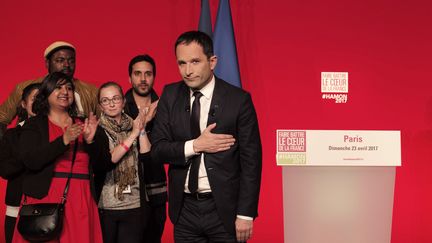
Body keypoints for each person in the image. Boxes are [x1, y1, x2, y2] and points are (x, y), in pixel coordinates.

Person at [151, 30, 262, 242]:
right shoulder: (170, 95)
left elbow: (251, 161)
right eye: (181, 63)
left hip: (224, 211)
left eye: (194, 62)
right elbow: (157, 150)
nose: (187, 71)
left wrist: (245, 213)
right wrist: (196, 145)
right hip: (184, 210)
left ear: (212, 62)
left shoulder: (239, 100)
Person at [12, 72, 103, 243]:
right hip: (45, 197)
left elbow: (101, 164)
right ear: (46, 92)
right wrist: (63, 140)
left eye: (69, 88)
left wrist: (91, 142)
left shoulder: (85, 124)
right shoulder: (34, 125)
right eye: (58, 87)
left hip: (81, 200)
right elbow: (30, 160)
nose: (65, 91)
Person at [95, 82, 157, 243]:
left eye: (115, 98)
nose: (111, 103)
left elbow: (146, 156)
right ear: (100, 106)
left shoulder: (134, 125)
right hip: (106, 206)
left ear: (123, 101)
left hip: (134, 204)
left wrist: (141, 129)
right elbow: (110, 159)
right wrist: (133, 135)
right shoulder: (97, 130)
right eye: (106, 100)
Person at [0, 41, 98, 139]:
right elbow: (1, 118)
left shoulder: (91, 92)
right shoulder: (24, 88)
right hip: (33, 148)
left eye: (71, 60)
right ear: (47, 63)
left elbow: (104, 124)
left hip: (76, 149)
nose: (67, 64)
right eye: (60, 60)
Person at [124, 54, 167, 243]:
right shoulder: (118, 106)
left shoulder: (165, 106)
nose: (143, 79)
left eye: (148, 74)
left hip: (155, 183)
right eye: (138, 74)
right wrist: (141, 123)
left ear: (154, 77)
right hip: (125, 188)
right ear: (130, 77)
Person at [0, 83, 40, 243]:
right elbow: (4, 169)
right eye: (34, 98)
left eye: (43, 98)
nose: (39, 102)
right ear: (23, 104)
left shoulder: (59, 133)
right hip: (15, 207)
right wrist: (29, 157)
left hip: (47, 208)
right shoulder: (12, 135)